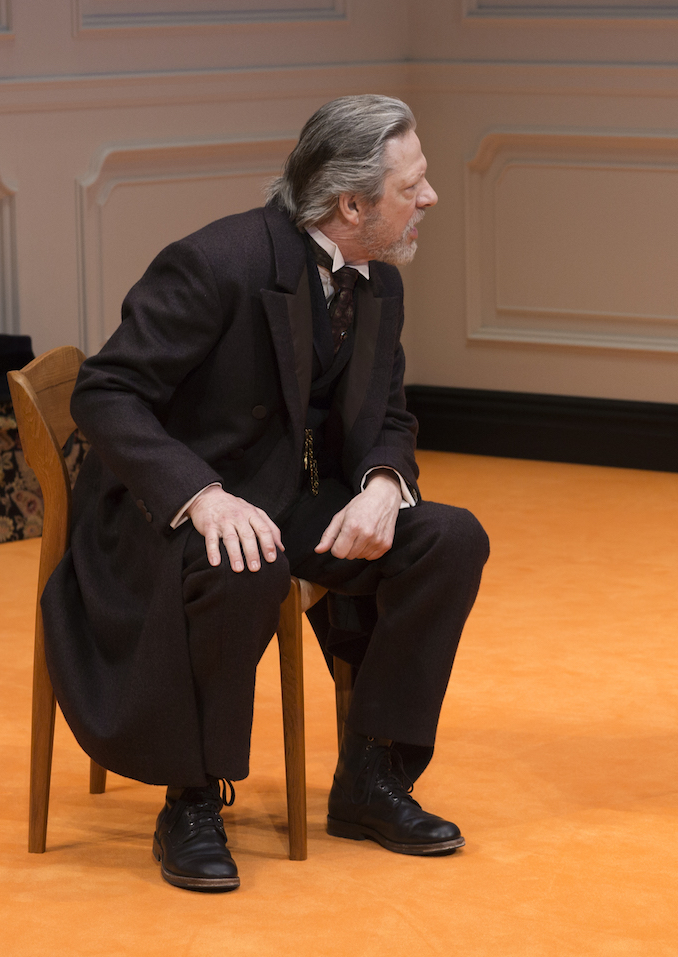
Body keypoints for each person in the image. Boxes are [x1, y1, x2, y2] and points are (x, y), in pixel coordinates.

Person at [41, 95, 489, 892]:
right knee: (248, 562)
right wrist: (202, 496)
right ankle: (191, 800)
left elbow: (388, 413)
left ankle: (371, 778)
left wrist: (386, 484)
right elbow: (105, 393)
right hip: (169, 510)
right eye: (411, 186)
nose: (429, 199)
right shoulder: (218, 263)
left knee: (448, 539)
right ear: (351, 204)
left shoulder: (377, 280)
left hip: (287, 495)